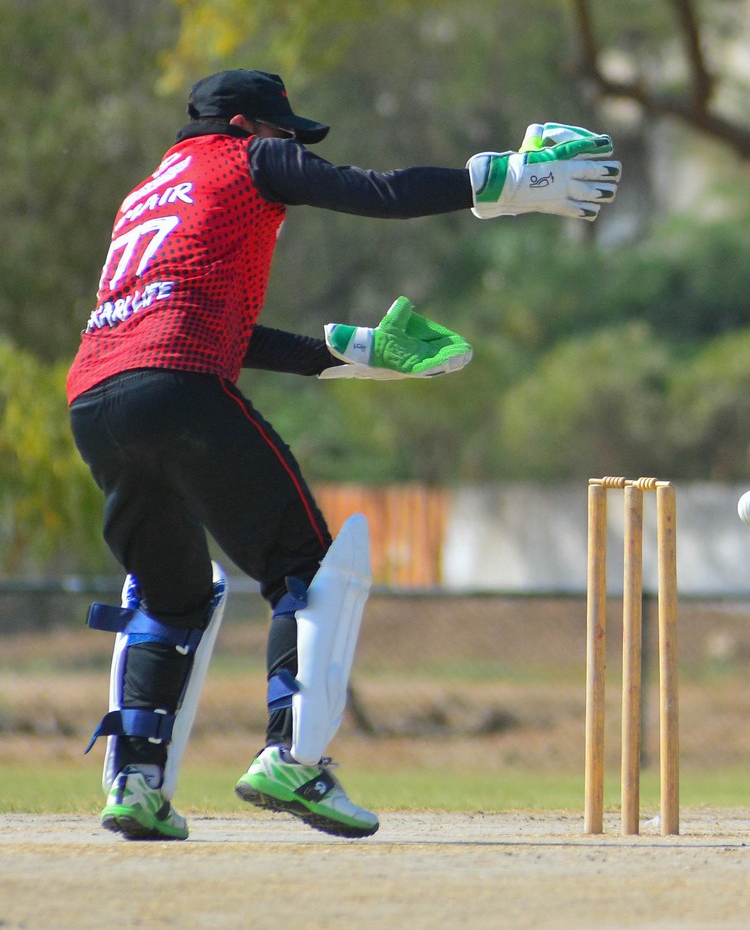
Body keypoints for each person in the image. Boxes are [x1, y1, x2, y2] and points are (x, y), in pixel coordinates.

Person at [68, 68, 622, 841]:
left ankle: (135, 781)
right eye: (284, 130)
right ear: (246, 125)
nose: (292, 146)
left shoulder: (146, 195)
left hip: (95, 403)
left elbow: (206, 325)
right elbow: (376, 191)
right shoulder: (248, 159)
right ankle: (291, 758)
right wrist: (503, 179)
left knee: (171, 597)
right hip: (178, 385)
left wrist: (346, 354)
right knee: (306, 567)